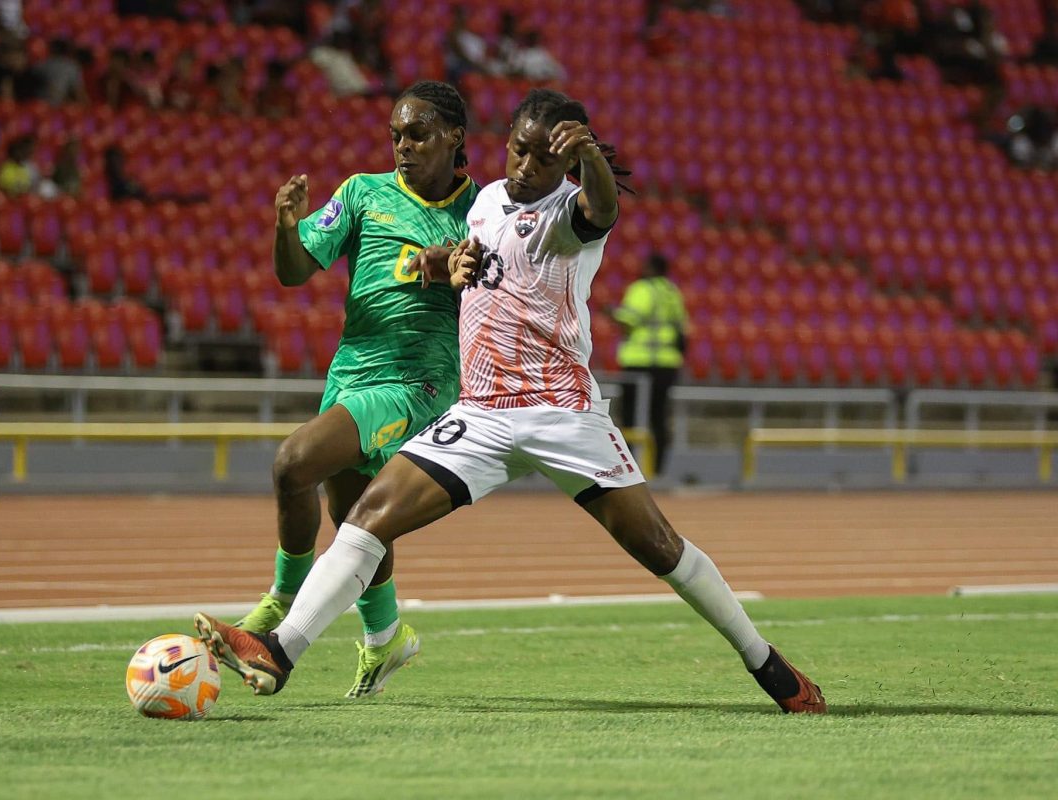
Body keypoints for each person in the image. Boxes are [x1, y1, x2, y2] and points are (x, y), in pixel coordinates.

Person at [194, 89, 827, 714]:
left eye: (542, 160)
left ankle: (762, 658)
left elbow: (602, 208)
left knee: (659, 546)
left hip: (563, 413)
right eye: (518, 151)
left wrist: (591, 165)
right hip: (482, 413)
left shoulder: (571, 213)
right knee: (368, 517)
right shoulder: (487, 201)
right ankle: (279, 650)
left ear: (565, 167)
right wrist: (451, 264)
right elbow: (479, 260)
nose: (525, 168)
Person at [210, 80, 479, 699]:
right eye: (395, 136)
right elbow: (293, 270)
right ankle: (386, 641)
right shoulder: (363, 192)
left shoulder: (482, 209)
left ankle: (278, 606)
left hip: (419, 383)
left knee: (293, 463)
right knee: (356, 518)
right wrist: (286, 227)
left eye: (417, 134)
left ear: (454, 137)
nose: (402, 146)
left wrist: (446, 264)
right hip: (351, 373)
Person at [613, 253, 688, 475]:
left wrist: (610, 312)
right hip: (667, 364)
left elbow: (629, 319)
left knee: (629, 417)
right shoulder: (672, 292)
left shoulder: (642, 289)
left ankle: (629, 469)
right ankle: (657, 470)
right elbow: (683, 327)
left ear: (652, 268)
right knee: (658, 417)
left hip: (639, 364)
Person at [38, 39, 88, 106]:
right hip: (60, 108)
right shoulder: (71, 66)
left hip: (39, 107)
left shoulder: (39, 65)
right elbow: (79, 93)